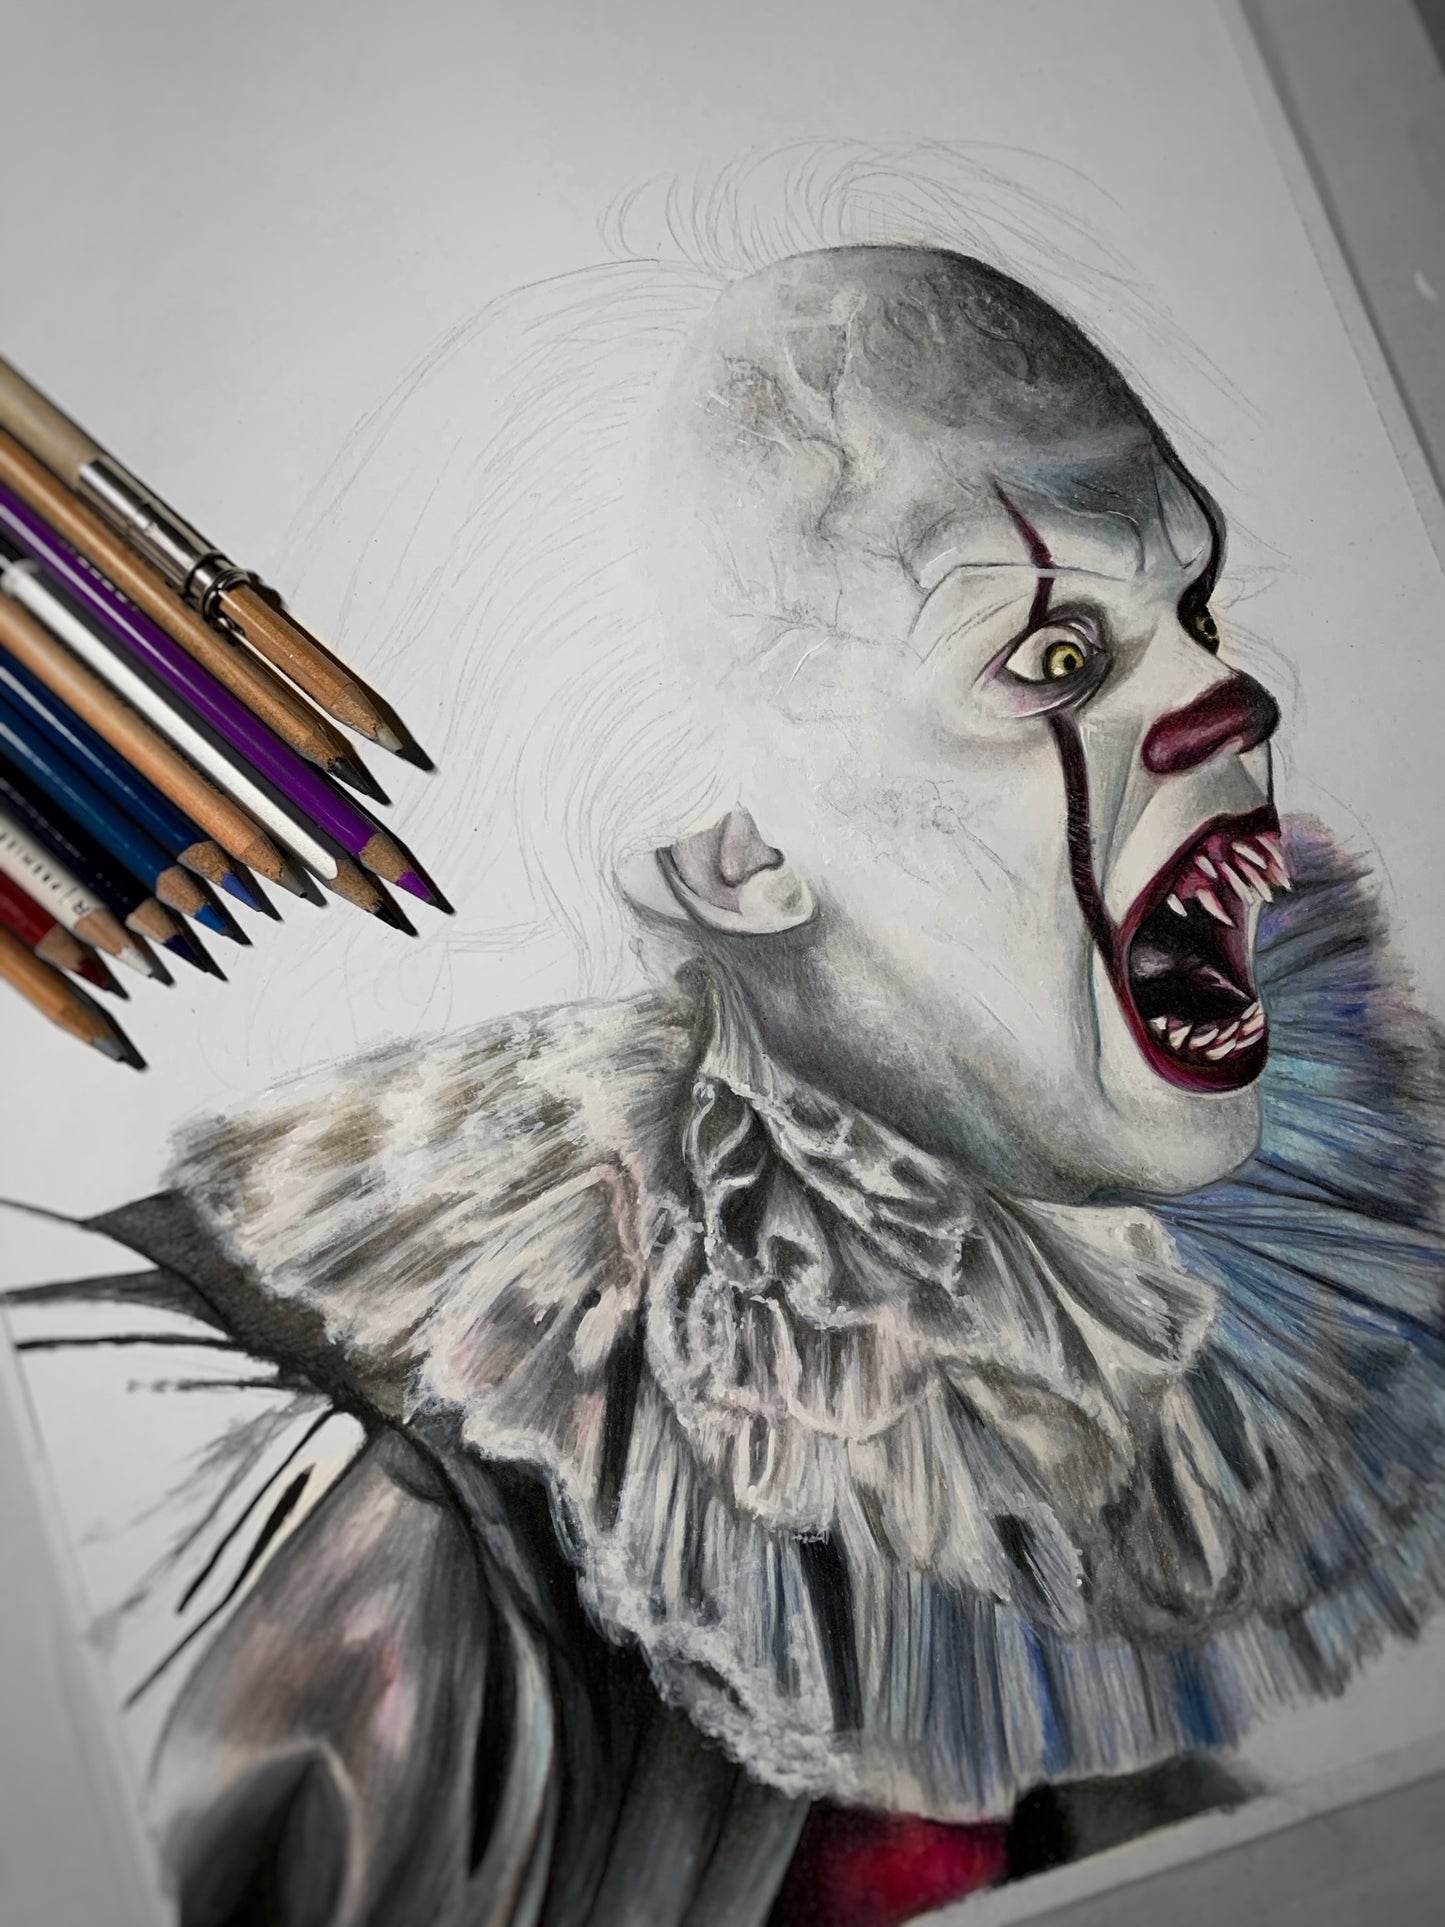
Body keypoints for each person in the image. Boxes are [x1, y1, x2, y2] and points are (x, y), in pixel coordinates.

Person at [10, 242, 1444, 1927]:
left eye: (1189, 612)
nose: (1229, 694)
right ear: (739, 854)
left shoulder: (1102, 1377)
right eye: (1055, 659)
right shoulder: (380, 1493)